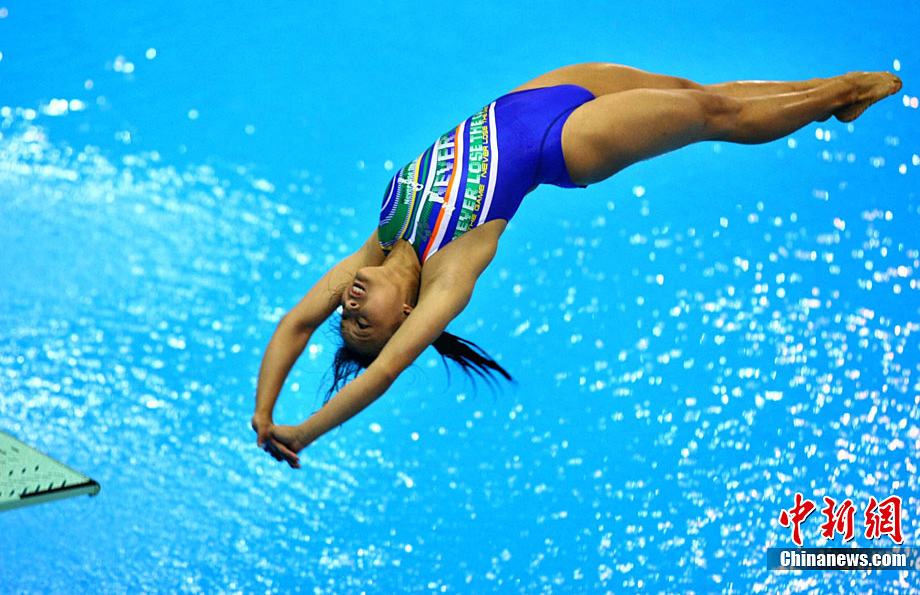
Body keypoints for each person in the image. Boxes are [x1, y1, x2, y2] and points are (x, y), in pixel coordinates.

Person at [251, 62, 901, 468]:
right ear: (406, 316)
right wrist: (304, 432)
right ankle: (840, 93)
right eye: (363, 323)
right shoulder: (450, 275)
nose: (349, 306)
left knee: (696, 93)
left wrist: (263, 412)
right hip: (566, 143)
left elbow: (294, 324)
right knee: (714, 116)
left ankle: (826, 96)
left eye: (346, 314)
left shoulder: (381, 241)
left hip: (531, 96)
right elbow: (387, 370)